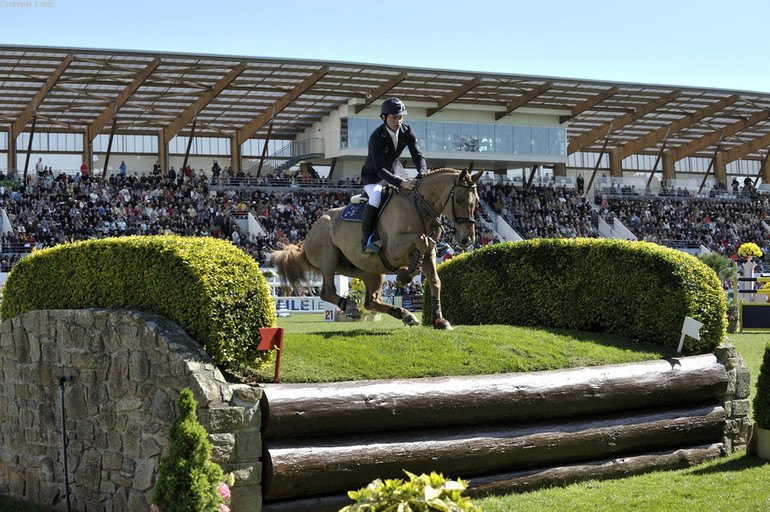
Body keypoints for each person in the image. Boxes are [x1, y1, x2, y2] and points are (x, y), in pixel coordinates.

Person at [359, 97, 427, 254]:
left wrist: (423, 173)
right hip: (373, 175)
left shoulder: (407, 131)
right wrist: (401, 182)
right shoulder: (376, 137)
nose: (398, 121)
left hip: (395, 169)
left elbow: (418, 155)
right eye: (394, 117)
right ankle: (366, 239)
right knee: (376, 197)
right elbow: (380, 169)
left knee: (418, 192)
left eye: (400, 117)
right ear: (384, 117)